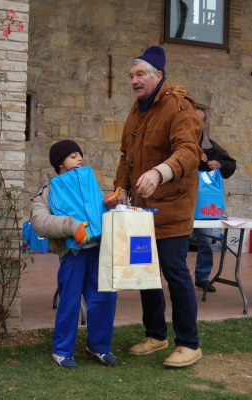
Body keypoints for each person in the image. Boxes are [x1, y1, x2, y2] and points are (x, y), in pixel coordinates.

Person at [114, 46, 203, 367]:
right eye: (131, 76)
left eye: (140, 75)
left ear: (158, 76)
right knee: (145, 274)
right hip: (140, 214)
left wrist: (158, 172)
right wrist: (120, 189)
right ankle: (155, 334)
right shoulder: (136, 110)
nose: (134, 81)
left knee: (174, 272)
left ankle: (189, 343)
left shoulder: (180, 108)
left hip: (172, 210)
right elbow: (127, 157)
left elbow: (189, 152)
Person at [31, 140, 117, 369]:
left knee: (104, 299)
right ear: (60, 163)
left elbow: (95, 211)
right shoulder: (48, 191)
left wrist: (108, 204)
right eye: (72, 156)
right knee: (69, 303)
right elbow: (39, 221)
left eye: (80, 155)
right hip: (73, 255)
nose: (79, 159)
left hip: (98, 251)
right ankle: (61, 351)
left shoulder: (88, 182)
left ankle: (98, 347)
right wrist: (71, 226)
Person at [194, 108, 236, 292]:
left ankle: (202, 277)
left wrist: (220, 165)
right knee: (173, 243)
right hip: (180, 202)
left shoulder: (212, 147)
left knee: (205, 241)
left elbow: (231, 164)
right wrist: (192, 156)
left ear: (204, 124)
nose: (194, 125)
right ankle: (172, 279)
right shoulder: (177, 143)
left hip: (204, 206)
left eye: (198, 121)